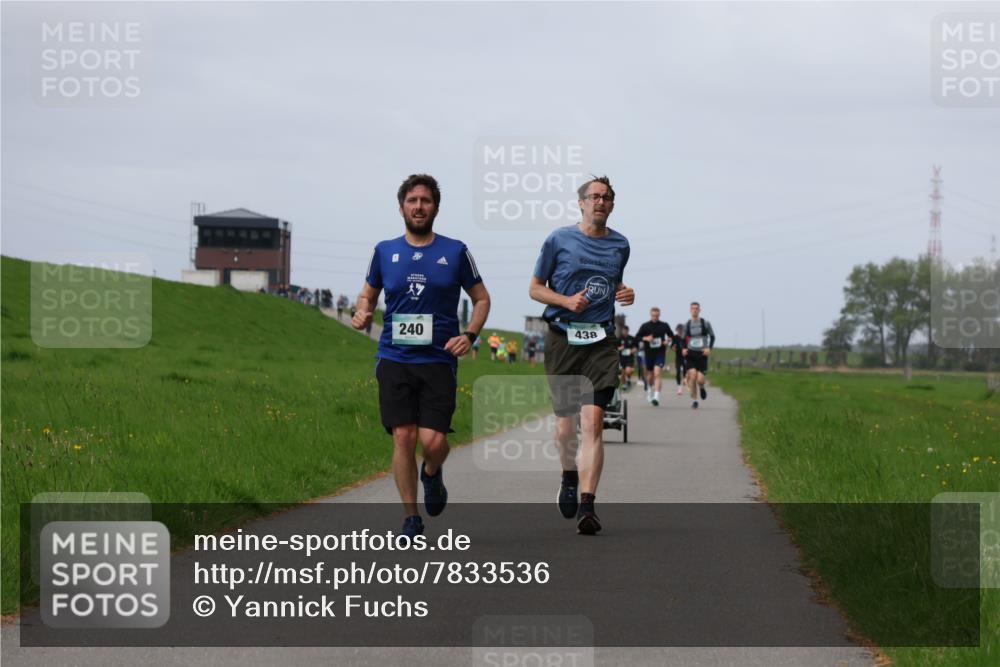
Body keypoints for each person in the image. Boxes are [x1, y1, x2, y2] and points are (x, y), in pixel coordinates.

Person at [352, 174, 491, 538]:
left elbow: (482, 299)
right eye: (412, 200)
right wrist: (362, 311)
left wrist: (470, 335)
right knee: (403, 435)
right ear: (401, 207)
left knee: (434, 442)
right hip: (394, 357)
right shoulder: (384, 251)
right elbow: (367, 295)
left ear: (436, 207)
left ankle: (432, 472)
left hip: (438, 360)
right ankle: (411, 518)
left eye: (425, 201)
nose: (418, 207)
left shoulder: (455, 251)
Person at [529, 175, 634, 535]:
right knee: (566, 429)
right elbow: (535, 289)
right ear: (581, 202)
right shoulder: (558, 239)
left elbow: (609, 282)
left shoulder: (621, 245)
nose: (600, 202)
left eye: (607, 197)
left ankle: (588, 506)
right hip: (562, 338)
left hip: (601, 341)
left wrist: (625, 292)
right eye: (594, 196)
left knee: (592, 422)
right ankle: (569, 475)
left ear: (612, 204)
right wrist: (566, 301)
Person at [635, 307, 675, 406]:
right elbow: (636, 338)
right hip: (648, 354)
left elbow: (671, 336)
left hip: (660, 353)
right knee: (650, 376)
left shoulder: (664, 325)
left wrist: (668, 341)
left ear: (659, 315)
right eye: (653, 315)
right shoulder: (645, 326)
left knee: (657, 373)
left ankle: (656, 397)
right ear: (650, 315)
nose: (655, 317)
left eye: (656, 316)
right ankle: (649, 390)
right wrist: (645, 338)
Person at [682, 302, 716, 409]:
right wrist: (683, 349)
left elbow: (712, 336)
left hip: (702, 354)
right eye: (693, 308)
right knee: (692, 376)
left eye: (696, 308)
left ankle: (701, 387)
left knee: (700, 379)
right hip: (691, 353)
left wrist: (709, 348)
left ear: (700, 310)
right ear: (690, 310)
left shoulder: (705, 323)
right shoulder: (687, 324)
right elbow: (682, 339)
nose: (695, 310)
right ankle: (695, 400)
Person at [617, 325, 637, 391]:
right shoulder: (619, 338)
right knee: (622, 373)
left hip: (629, 358)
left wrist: (633, 350)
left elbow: (635, 347)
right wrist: (620, 348)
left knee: (628, 371)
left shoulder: (631, 338)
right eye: (624, 331)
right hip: (622, 358)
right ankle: (624, 384)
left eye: (626, 331)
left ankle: (628, 379)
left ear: (628, 331)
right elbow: (615, 348)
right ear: (622, 331)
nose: (625, 332)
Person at [672, 323, 687, 395]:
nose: (679, 331)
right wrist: (673, 348)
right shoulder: (675, 337)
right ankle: (679, 387)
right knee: (678, 371)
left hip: (686, 357)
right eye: (678, 330)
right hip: (678, 357)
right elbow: (672, 346)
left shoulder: (686, 337)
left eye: (681, 330)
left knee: (685, 370)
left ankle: (685, 379)